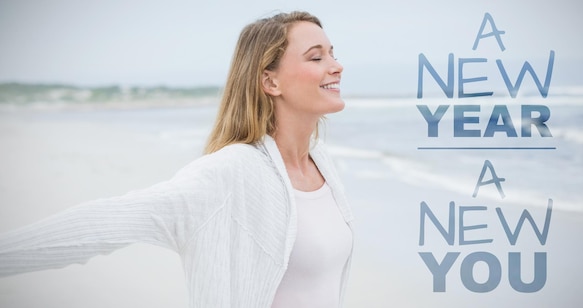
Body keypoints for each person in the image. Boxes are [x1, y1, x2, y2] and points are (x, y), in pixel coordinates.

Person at [0, 11, 354, 308]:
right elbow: (104, 221)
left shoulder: (321, 163)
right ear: (269, 81)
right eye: (316, 56)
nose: (336, 66)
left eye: (333, 53)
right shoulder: (231, 172)